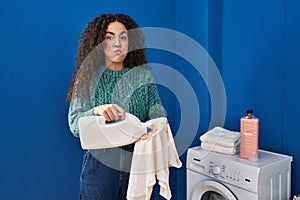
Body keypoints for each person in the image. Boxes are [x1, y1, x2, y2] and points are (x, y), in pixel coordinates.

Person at [66, 13, 166, 199]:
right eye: (109, 37)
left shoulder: (144, 77)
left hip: (138, 162)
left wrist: (158, 125)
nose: (118, 44)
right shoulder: (87, 78)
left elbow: (157, 115)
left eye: (123, 37)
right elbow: (75, 124)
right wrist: (97, 111)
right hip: (100, 164)